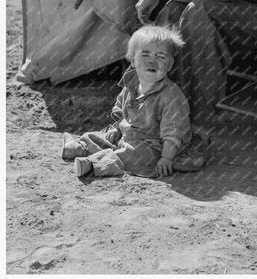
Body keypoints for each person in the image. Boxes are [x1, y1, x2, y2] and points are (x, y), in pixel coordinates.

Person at [61, 25, 211, 178]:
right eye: (145, 54)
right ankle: (80, 146)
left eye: (160, 57)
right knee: (99, 136)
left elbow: (173, 133)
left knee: (135, 155)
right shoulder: (131, 85)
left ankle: (93, 164)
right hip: (127, 136)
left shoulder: (171, 96)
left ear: (170, 64)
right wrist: (116, 128)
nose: (152, 61)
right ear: (133, 60)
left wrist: (166, 158)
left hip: (153, 146)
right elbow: (121, 110)